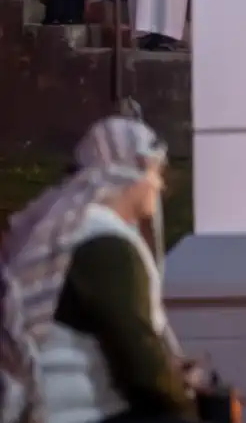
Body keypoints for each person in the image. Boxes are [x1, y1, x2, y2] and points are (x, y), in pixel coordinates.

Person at [0, 117, 207, 423]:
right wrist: (184, 406)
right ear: (129, 173)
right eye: (153, 171)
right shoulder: (104, 244)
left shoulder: (72, 230)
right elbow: (140, 364)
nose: (159, 184)